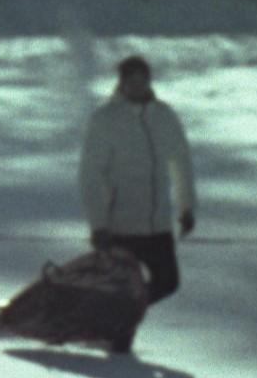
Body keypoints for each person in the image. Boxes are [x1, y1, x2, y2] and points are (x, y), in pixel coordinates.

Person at [78, 53, 195, 354]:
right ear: (121, 83)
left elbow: (181, 163)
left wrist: (186, 207)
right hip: (122, 226)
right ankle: (118, 345)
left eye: (142, 80)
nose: (137, 86)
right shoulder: (106, 119)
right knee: (121, 290)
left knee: (167, 283)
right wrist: (99, 224)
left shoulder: (164, 116)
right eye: (131, 80)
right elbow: (91, 175)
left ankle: (115, 324)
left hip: (158, 224)